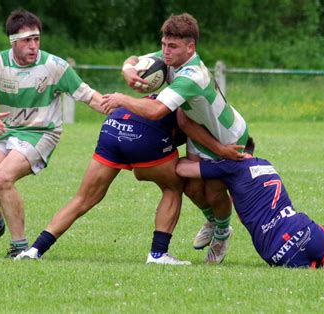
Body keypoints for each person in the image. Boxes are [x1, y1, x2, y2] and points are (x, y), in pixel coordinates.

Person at [15, 95, 242, 264]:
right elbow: (149, 170)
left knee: (83, 198)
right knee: (173, 187)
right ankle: (158, 254)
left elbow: (140, 171)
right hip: (146, 134)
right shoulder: (199, 113)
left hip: (113, 125)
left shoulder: (166, 91)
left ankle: (35, 250)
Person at [102, 13, 249, 264]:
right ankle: (214, 221)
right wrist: (128, 71)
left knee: (214, 192)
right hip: (196, 131)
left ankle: (223, 232)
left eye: (172, 46)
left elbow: (157, 110)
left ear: (190, 47)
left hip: (226, 135)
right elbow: (133, 59)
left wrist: (122, 99)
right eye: (163, 44)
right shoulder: (170, 59)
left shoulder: (193, 75)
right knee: (189, 185)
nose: (165, 51)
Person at [0, 9, 106, 258]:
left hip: (42, 132)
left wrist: (124, 111)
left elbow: (89, 96)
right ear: (13, 42)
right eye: (26, 40)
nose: (33, 46)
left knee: (1, 179)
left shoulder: (54, 66)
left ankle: (19, 246)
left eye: (36, 39)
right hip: (7, 131)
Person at [175, 138, 324, 270]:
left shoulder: (230, 166)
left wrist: (199, 148)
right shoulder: (266, 164)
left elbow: (183, 168)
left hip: (274, 251)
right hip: (302, 229)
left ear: (235, 149)